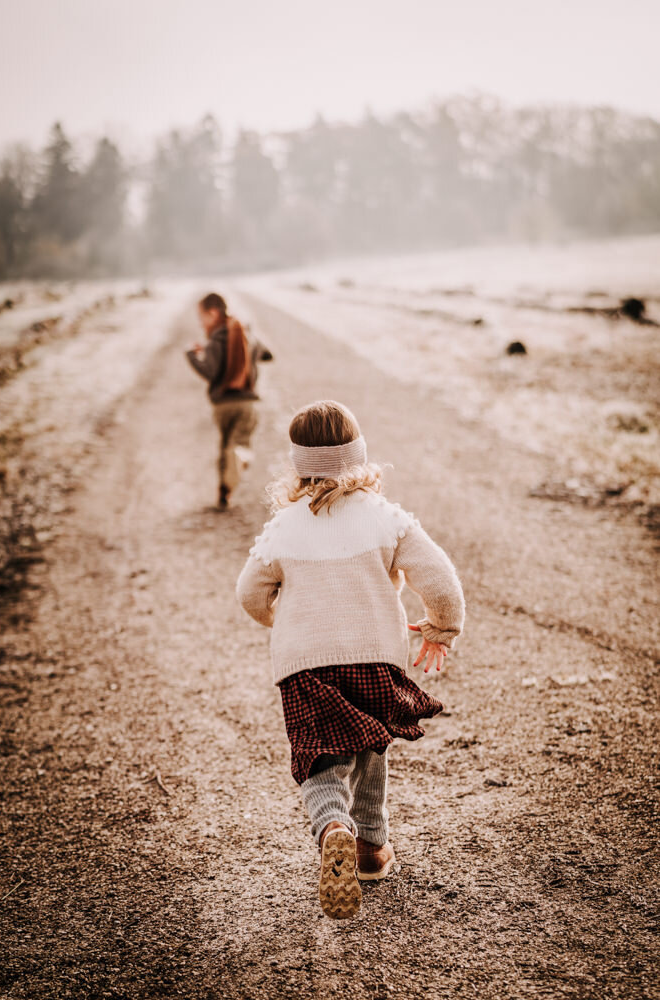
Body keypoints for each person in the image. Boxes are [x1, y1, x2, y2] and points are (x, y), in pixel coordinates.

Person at [236, 400, 465, 919]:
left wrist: (282, 619)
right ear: (358, 456)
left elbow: (249, 592)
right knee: (369, 743)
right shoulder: (387, 520)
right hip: (375, 656)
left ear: (298, 464)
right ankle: (370, 846)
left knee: (318, 753)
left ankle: (333, 825)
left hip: (304, 661)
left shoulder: (285, 526)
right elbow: (441, 582)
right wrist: (441, 628)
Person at [186, 292, 271, 509]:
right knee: (240, 445)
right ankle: (236, 463)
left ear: (213, 313)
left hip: (222, 406)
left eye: (201, 316)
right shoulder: (245, 335)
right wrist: (250, 344)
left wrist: (193, 357)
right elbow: (267, 355)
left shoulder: (215, 341)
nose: (200, 322)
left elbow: (210, 373)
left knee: (225, 447)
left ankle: (224, 493)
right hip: (246, 403)